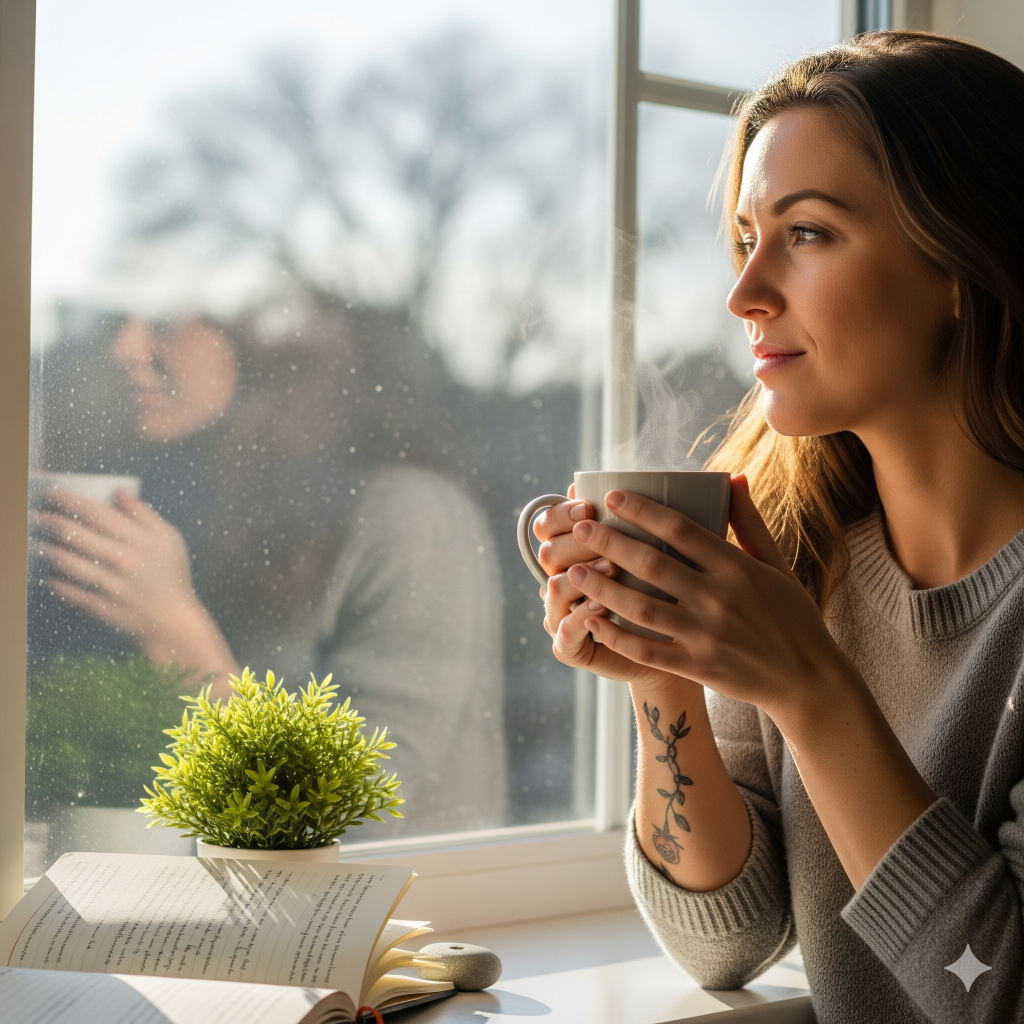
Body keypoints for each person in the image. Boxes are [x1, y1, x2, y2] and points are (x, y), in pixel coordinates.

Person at [536, 31, 1024, 1023]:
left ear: (960, 264)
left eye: (805, 233)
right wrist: (661, 674)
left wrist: (809, 687)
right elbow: (724, 941)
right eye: (745, 237)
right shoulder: (796, 552)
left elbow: (1000, 995)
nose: (744, 294)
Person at [32, 306, 506, 834]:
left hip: (386, 906)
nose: (125, 348)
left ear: (260, 341)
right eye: (120, 321)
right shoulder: (206, 502)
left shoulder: (411, 517)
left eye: (164, 319)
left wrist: (171, 627)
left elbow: (360, 811)